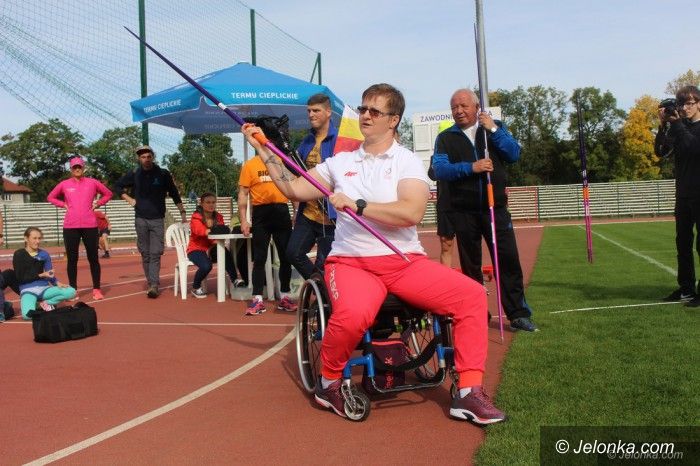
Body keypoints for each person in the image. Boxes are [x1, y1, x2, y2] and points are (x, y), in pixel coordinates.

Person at [242, 83, 505, 424]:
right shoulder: (340, 163)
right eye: (363, 108)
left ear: (393, 120)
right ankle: (329, 384)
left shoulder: (407, 161)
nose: (365, 115)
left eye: (374, 111)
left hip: (404, 262)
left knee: (471, 295)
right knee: (354, 314)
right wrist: (263, 149)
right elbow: (294, 189)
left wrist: (359, 205)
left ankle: (468, 392)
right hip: (351, 262)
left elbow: (411, 212)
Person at [431, 89, 538, 332]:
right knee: (471, 267)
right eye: (454, 107)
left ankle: (518, 314)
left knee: (508, 261)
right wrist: (472, 167)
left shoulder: (493, 129)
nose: (458, 111)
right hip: (463, 212)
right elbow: (440, 170)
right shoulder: (446, 138)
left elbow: (513, 154)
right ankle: (477, 312)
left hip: (494, 209)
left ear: (477, 107)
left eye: (464, 105)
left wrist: (494, 129)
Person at [114, 144, 186, 298]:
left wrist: (183, 212)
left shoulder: (163, 174)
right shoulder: (134, 174)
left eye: (148, 156)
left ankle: (154, 284)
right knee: (145, 253)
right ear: (139, 158)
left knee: (155, 253)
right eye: (142, 157)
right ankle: (151, 282)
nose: (146, 159)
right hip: (140, 219)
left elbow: (174, 193)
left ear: (153, 157)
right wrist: (129, 199)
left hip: (157, 219)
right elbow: (117, 186)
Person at [238, 143, 297, 315]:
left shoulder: (281, 161)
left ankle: (285, 296)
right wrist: (244, 220)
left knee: (285, 257)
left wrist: (296, 212)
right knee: (259, 258)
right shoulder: (250, 165)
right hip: (260, 214)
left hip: (281, 211)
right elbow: (243, 194)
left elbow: (292, 187)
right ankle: (257, 299)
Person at [655, 85, 700, 307]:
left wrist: (677, 124)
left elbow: (693, 147)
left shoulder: (690, 128)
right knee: (682, 244)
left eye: (690, 103)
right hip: (683, 195)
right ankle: (686, 289)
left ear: (699, 104)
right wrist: (663, 125)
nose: (685, 108)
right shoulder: (677, 126)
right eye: (682, 104)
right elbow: (661, 152)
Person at [286, 93, 338, 280]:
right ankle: (320, 287)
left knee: (326, 264)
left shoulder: (338, 139)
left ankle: (324, 290)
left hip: (331, 216)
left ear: (328, 112)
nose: (311, 115)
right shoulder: (307, 140)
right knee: (293, 253)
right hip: (308, 213)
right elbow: (295, 171)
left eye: (316, 110)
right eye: (309, 111)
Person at [47, 156, 112, 301]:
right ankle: (73, 290)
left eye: (79, 167)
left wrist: (98, 203)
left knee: (93, 258)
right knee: (72, 260)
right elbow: (51, 197)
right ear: (71, 169)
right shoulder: (64, 184)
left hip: (90, 225)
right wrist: (63, 204)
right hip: (70, 226)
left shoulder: (92, 182)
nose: (77, 169)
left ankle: (96, 289)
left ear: (83, 168)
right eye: (74, 167)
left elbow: (108, 194)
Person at [13, 227, 76, 319]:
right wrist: (42, 275)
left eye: (39, 238)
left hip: (44, 289)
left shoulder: (44, 254)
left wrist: (57, 283)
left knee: (71, 291)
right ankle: (37, 305)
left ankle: (44, 304)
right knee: (27, 316)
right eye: (34, 238)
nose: (37, 241)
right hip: (28, 290)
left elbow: (49, 273)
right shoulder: (19, 254)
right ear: (26, 238)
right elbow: (20, 277)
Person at [187, 193, 239, 298]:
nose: (211, 205)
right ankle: (196, 287)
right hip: (196, 249)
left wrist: (212, 245)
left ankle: (235, 280)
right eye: (208, 202)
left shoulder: (218, 217)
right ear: (201, 203)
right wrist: (213, 230)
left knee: (224, 252)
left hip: (212, 247)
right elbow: (200, 231)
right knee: (206, 266)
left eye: (213, 202)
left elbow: (221, 232)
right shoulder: (196, 217)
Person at [429, 119, 458, 267]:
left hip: (465, 203)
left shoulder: (462, 151)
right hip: (445, 203)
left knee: (470, 244)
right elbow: (432, 175)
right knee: (446, 244)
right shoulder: (436, 156)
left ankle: (474, 277)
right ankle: (447, 277)